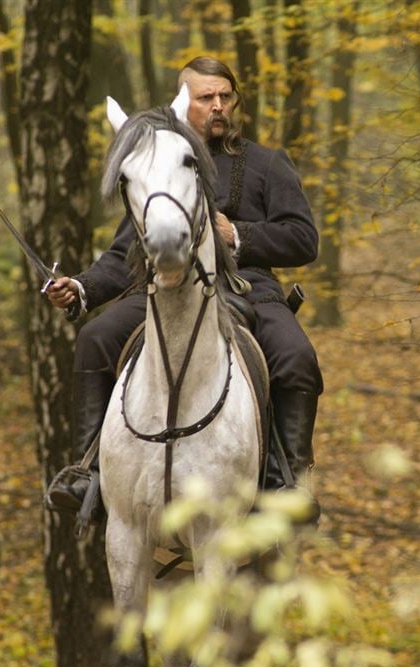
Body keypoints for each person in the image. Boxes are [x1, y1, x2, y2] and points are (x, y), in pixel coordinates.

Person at [45, 55, 323, 512]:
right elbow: (125, 252)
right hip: (163, 288)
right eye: (206, 97)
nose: (218, 106)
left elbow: (303, 239)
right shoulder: (158, 163)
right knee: (94, 338)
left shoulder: (268, 164)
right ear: (183, 104)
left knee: (297, 357)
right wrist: (81, 288)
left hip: (248, 290)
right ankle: (90, 474)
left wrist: (238, 234)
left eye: (225, 96)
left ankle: (287, 483)